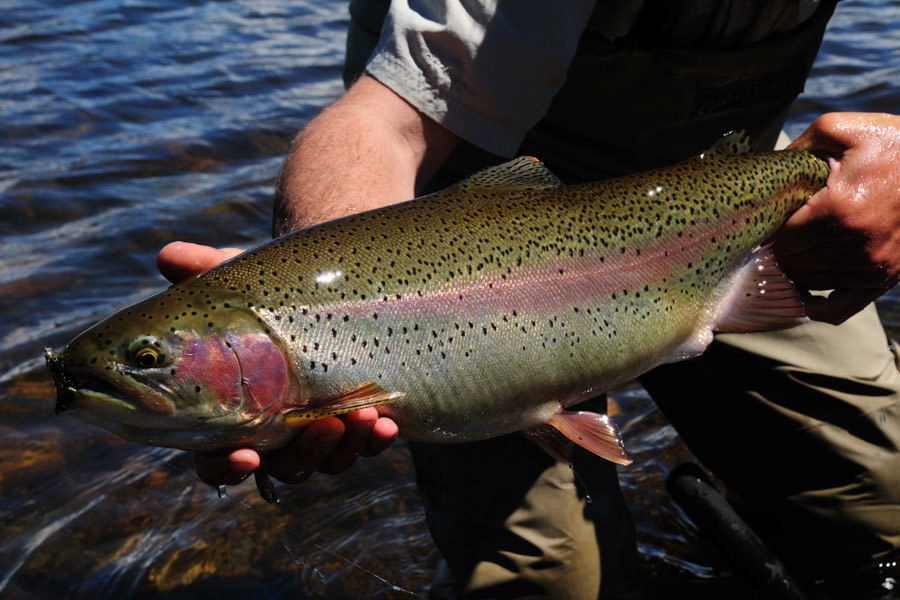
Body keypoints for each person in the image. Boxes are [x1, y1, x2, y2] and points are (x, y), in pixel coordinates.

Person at [158, 1, 900, 597]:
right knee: (547, 581)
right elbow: (384, 123)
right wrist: (322, 292)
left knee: (881, 504)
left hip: (728, 197)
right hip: (462, 251)